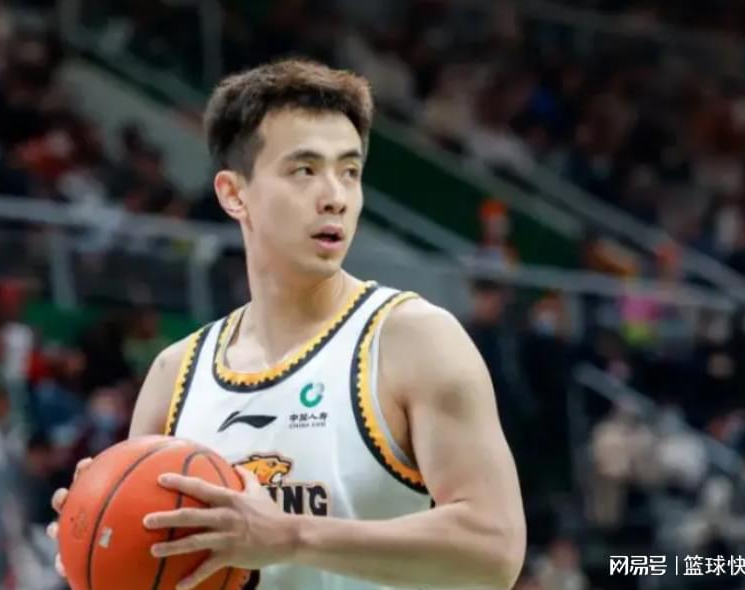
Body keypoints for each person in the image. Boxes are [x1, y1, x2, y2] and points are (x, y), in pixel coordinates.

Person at [49, 58, 526, 590]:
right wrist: (100, 539)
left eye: (349, 172)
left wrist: (291, 536)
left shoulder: (412, 340)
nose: (335, 197)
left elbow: (496, 548)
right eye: (305, 170)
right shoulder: (174, 373)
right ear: (234, 194)